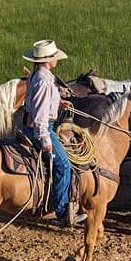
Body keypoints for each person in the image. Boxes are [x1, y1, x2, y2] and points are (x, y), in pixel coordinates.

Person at [22, 39, 85, 226]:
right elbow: (40, 114)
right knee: (63, 164)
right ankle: (62, 211)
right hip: (41, 127)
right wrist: (45, 139)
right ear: (49, 59)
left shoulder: (38, 75)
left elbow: (33, 101)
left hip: (33, 124)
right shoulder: (43, 80)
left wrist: (58, 103)